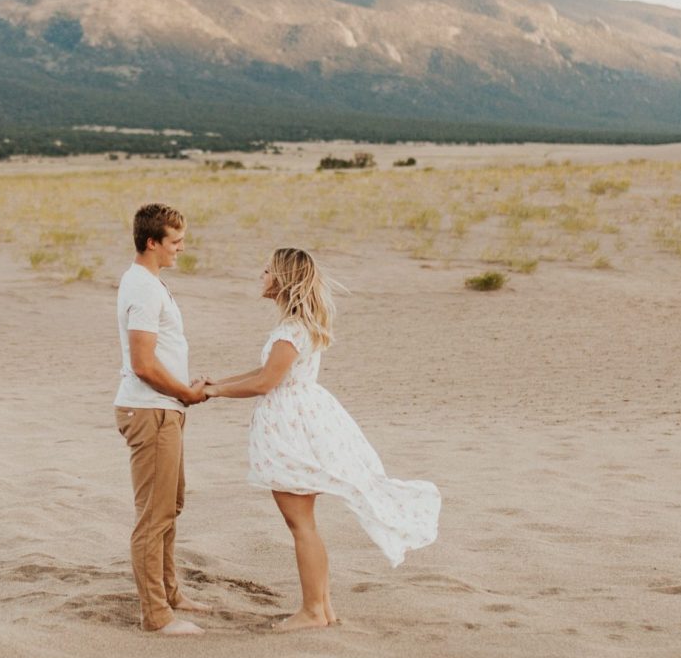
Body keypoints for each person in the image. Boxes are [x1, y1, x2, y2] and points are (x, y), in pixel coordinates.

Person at [201, 247, 440, 631]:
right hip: (303, 418)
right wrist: (221, 382)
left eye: (266, 271)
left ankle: (313, 610)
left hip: (290, 427)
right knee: (305, 523)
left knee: (301, 524)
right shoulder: (296, 328)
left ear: (282, 280)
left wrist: (215, 394)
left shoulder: (289, 330)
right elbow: (267, 370)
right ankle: (323, 608)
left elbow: (266, 382)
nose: (260, 276)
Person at [114, 203, 214, 636]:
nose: (181, 249)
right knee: (153, 516)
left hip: (166, 408)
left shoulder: (152, 283)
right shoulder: (143, 287)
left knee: (170, 505)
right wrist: (185, 392)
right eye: (175, 241)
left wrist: (182, 394)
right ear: (152, 242)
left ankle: (171, 592)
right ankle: (155, 615)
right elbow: (142, 363)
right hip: (150, 409)